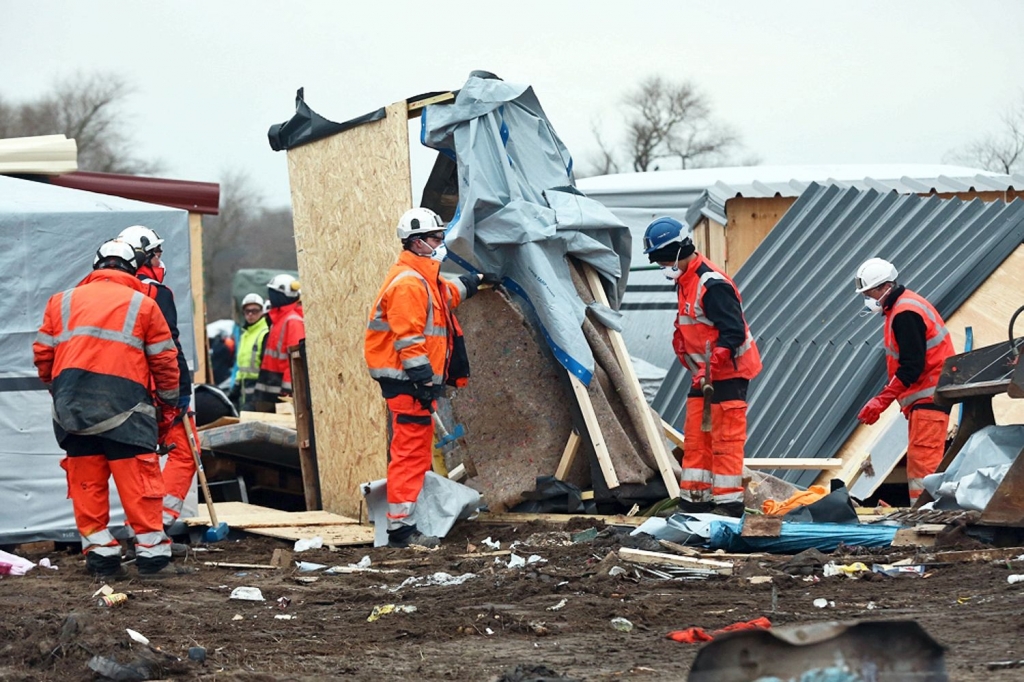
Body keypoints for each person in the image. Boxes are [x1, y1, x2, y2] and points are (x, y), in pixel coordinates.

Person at [33, 239, 178, 577]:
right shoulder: (143, 304)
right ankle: (152, 558)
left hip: (72, 412)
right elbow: (165, 362)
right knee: (139, 486)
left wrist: (60, 390)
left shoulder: (60, 302)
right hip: (126, 409)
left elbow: (43, 355)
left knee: (87, 486)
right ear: (132, 268)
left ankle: (101, 557)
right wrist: (168, 405)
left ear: (96, 266)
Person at [364, 207, 497, 548]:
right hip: (409, 383)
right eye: (437, 238)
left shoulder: (423, 278)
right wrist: (423, 382)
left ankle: (403, 525)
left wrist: (473, 282)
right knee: (409, 455)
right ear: (418, 242)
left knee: (416, 454)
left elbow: (446, 297)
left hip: (412, 383)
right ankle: (401, 531)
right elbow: (408, 339)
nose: (441, 243)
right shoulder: (409, 283)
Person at [644, 216, 762, 518]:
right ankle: (694, 501)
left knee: (725, 441)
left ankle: (728, 506)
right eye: (660, 260)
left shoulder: (713, 283)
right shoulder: (684, 280)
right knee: (696, 440)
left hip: (728, 374)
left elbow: (732, 332)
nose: (663, 265)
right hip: (704, 375)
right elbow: (691, 322)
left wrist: (712, 364)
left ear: (682, 250)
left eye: (666, 258)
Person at [854, 257, 955, 503]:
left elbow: (911, 366)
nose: (868, 299)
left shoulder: (905, 313)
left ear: (883, 288)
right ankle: (924, 515)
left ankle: (926, 519)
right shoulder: (903, 307)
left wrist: (882, 400)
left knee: (923, 466)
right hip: (927, 396)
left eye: (868, 293)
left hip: (929, 397)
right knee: (922, 464)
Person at [117, 225, 197, 532]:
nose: (161, 260)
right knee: (185, 453)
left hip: (123, 389)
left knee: (136, 460)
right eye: (157, 253)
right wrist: (181, 390)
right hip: (159, 390)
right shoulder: (155, 293)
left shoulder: (108, 293)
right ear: (144, 257)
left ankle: (138, 525)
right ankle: (157, 525)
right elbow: (168, 346)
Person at [249, 275, 305, 412]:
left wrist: (288, 392)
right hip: (268, 389)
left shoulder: (292, 321)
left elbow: (295, 360)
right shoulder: (278, 320)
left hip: (281, 393)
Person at [230, 293, 270, 410]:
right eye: (247, 311)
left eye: (255, 311)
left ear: (262, 312)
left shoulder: (265, 333)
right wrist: (235, 388)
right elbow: (241, 366)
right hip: (245, 391)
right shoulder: (245, 335)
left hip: (259, 391)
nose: (250, 314)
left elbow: (266, 365)